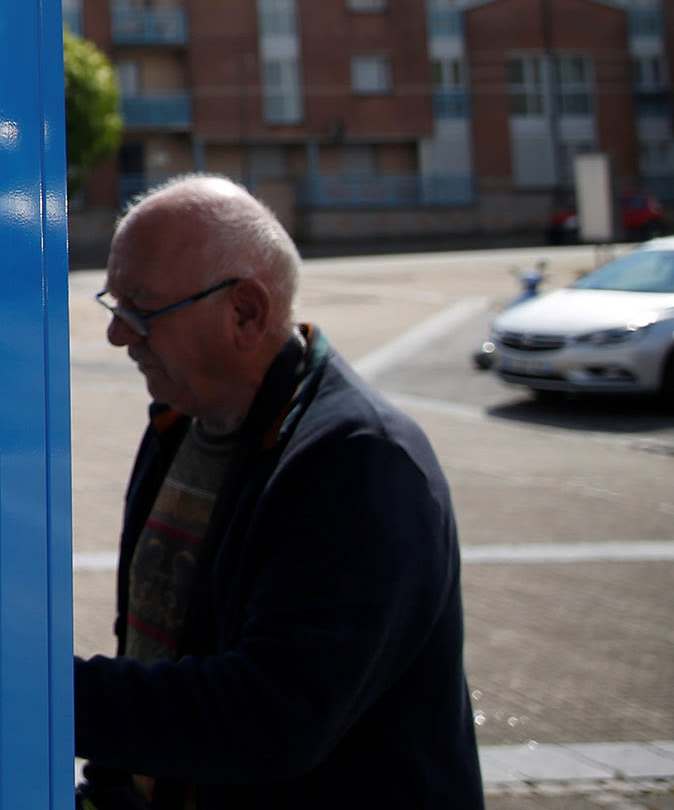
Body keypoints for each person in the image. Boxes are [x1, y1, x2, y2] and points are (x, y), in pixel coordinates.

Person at [75, 176, 481, 810]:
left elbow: (271, 717)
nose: (119, 336)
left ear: (246, 312)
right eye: (115, 306)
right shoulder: (180, 424)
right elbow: (154, 645)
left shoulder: (362, 463)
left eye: (142, 310)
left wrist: (33, 689)